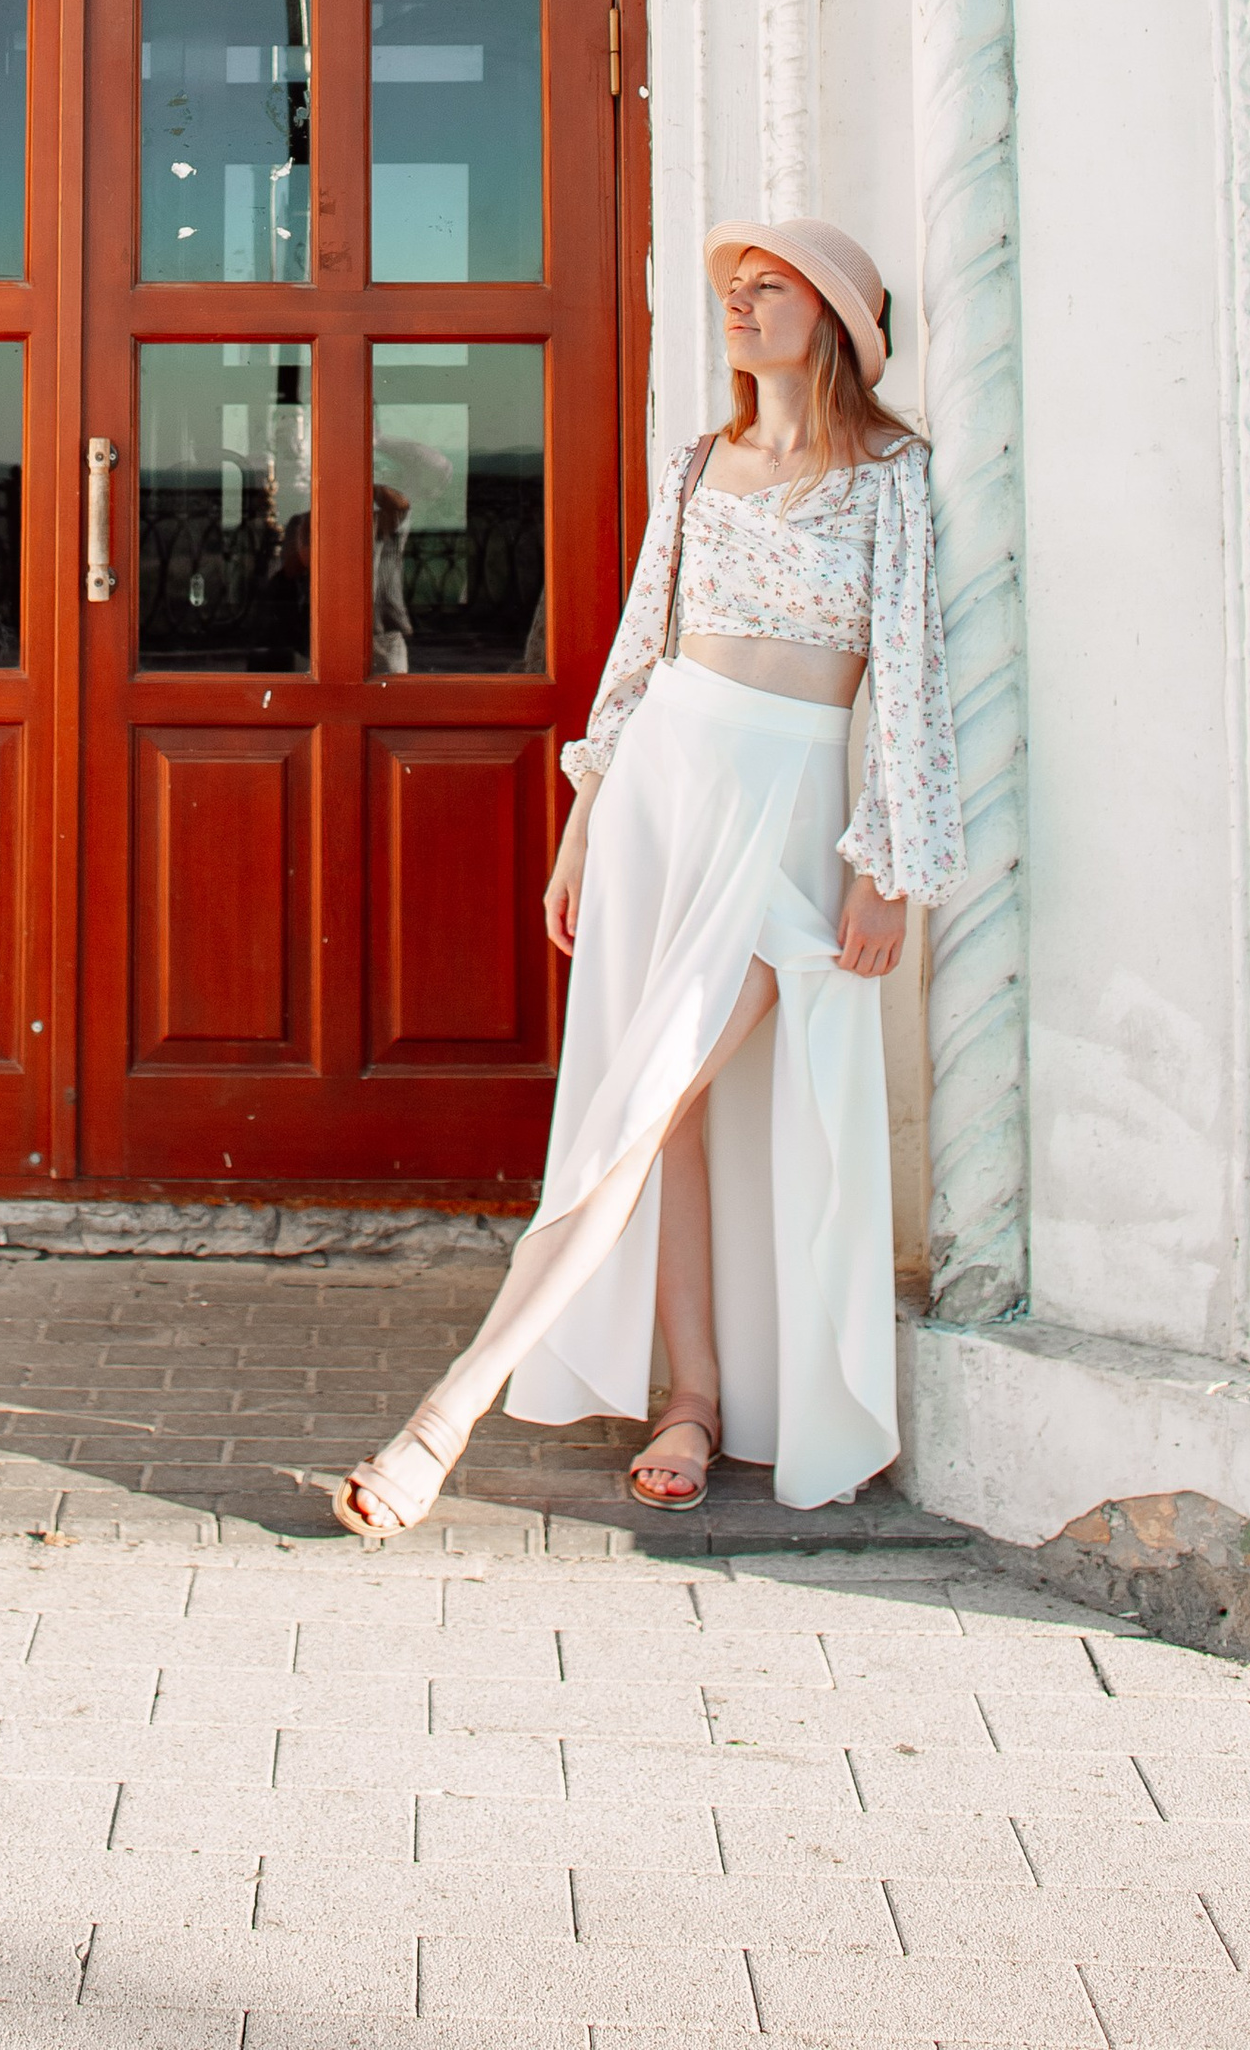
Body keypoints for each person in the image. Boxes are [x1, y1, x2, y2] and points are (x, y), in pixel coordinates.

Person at [335, 218, 964, 1533]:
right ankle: (694, 1398)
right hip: (660, 798)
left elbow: (908, 676)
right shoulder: (697, 467)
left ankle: (446, 1413)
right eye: (729, 289)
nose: (736, 305)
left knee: (645, 1105)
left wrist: (888, 863)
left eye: (766, 288)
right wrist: (582, 822)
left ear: (836, 322)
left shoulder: (894, 476)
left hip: (784, 822)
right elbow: (640, 653)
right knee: (657, 1119)